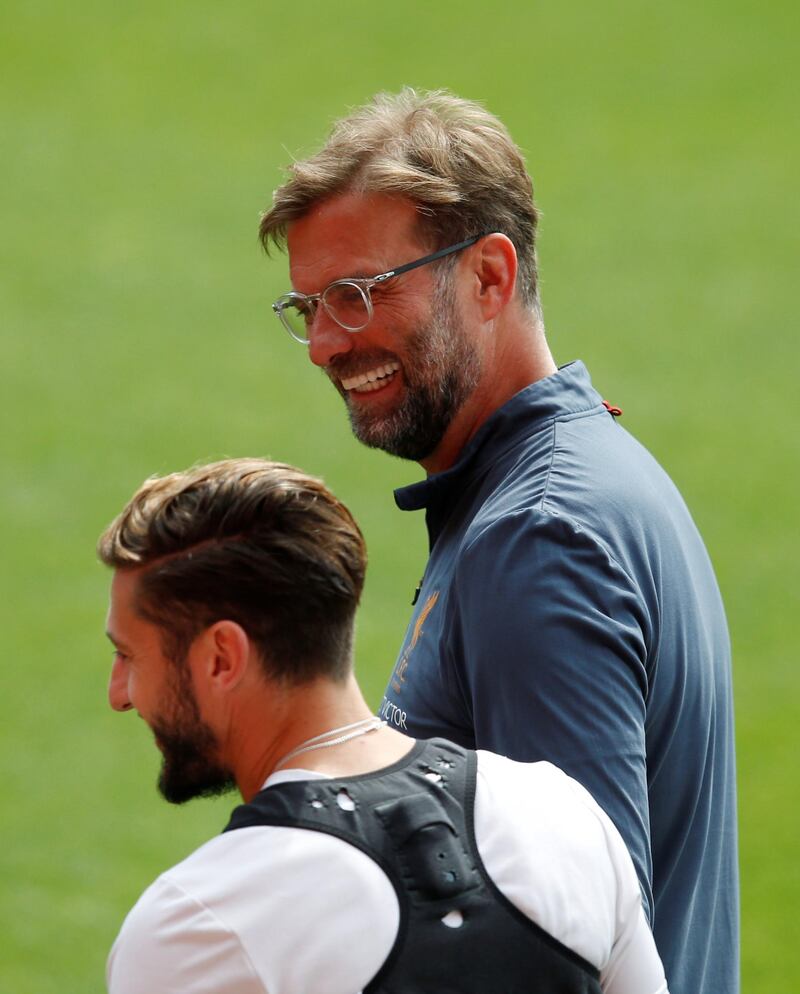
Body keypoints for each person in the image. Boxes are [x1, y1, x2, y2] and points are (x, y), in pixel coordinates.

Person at [259, 89, 738, 994]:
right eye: (308, 306)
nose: (325, 343)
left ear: (487, 276)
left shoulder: (538, 539)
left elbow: (567, 947)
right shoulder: (579, 477)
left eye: (359, 295)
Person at [100, 458, 668, 994]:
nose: (118, 694)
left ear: (222, 657)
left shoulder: (197, 927)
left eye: (128, 655)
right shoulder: (565, 816)